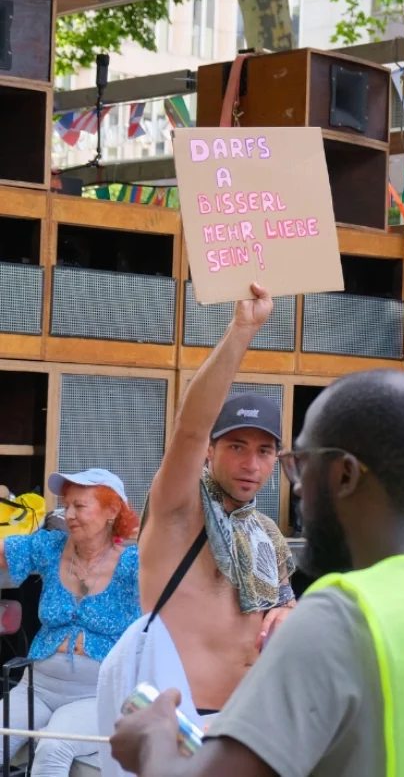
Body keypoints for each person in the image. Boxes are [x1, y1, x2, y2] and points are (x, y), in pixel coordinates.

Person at [110, 369, 404, 777]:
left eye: (299, 464)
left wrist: (151, 740)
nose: (297, 486)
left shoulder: (340, 616)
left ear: (344, 475)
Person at [98, 283, 295, 762]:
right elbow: (189, 425)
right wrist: (242, 330)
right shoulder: (178, 512)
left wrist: (287, 615)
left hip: (256, 730)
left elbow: (285, 610)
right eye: (236, 446)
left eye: (264, 450)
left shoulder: (264, 534)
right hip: (184, 731)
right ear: (209, 450)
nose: (251, 463)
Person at [0, 469, 139, 776]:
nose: (70, 514)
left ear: (111, 510)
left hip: (97, 695)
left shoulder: (135, 564)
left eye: (81, 505)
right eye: (67, 505)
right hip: (38, 687)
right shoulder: (50, 546)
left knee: (53, 748)